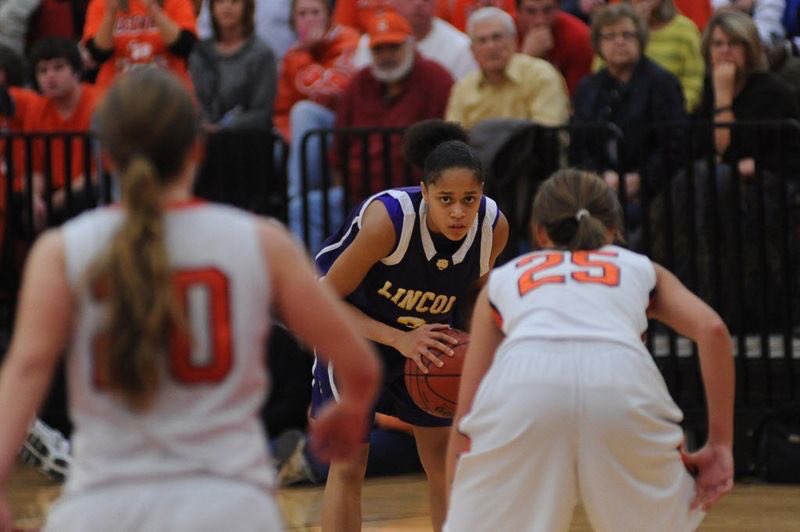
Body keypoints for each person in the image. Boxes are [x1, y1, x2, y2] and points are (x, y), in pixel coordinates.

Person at [0, 68, 381, 531]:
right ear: (197, 150)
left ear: (105, 158)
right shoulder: (263, 241)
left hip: (102, 506)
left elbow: (24, 373)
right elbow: (358, 365)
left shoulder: (62, 251)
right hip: (230, 506)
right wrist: (350, 411)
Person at [444, 168, 735, 532]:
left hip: (525, 383)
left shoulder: (506, 277)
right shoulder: (640, 268)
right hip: (621, 378)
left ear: (539, 232)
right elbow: (713, 330)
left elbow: (466, 411)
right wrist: (720, 444)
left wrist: (464, 486)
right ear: (613, 230)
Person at [312, 119, 509, 532]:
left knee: (444, 462)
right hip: (352, 335)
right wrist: (399, 338)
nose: (458, 211)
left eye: (469, 199)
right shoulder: (389, 222)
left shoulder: (493, 228)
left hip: (424, 343)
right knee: (350, 463)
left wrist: (473, 342)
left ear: (482, 196)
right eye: (446, 199)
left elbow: (474, 291)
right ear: (425, 193)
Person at [446, 7, 569, 130]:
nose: (491, 46)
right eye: (482, 40)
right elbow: (453, 142)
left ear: (514, 40)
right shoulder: (463, 89)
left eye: (497, 37)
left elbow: (548, 135)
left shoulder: (541, 76)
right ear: (472, 50)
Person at [189, 0, 277, 132]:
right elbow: (197, 100)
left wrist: (223, 129)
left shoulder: (261, 53)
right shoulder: (200, 52)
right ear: (212, 8)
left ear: (247, 7)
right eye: (221, 1)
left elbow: (262, 112)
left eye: (234, 1)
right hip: (204, 136)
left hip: (247, 138)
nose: (227, 6)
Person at [82, 0, 198, 93]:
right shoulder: (101, 3)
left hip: (169, 95)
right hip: (116, 98)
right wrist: (110, 14)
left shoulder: (176, 2)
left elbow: (184, 46)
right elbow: (97, 54)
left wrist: (154, 10)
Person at [351, 0, 479, 81]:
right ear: (393, 2)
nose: (418, 3)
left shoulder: (461, 46)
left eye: (426, 0)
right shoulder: (370, 42)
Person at [516, 0, 593, 97]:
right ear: (518, 12)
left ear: (558, 9)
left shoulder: (579, 37)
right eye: (531, 11)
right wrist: (526, 57)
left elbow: (576, 97)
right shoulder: (502, 33)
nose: (540, 20)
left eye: (547, 10)